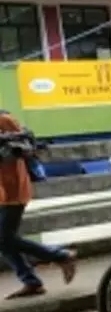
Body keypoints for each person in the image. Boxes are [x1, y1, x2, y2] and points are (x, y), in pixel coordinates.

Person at [0, 112, 76, 299]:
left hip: (13, 191)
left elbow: (23, 150)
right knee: (4, 240)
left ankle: (60, 255)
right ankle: (31, 281)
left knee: (4, 238)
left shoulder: (4, 120)